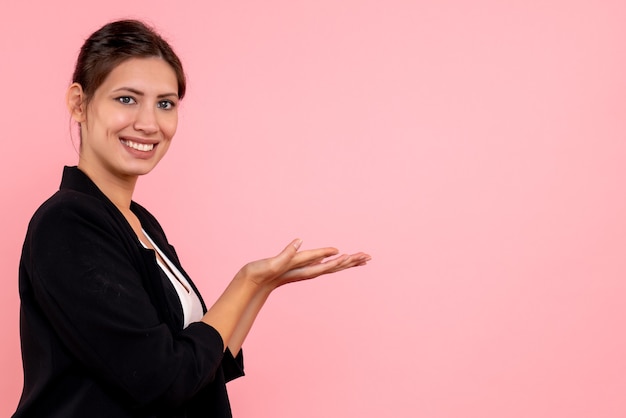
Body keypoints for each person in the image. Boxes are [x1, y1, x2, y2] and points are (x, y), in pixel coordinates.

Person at [14, 19, 370, 418]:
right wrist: (245, 281)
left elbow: (203, 364)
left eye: (165, 104)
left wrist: (261, 288)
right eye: (127, 99)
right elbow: (162, 380)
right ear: (79, 103)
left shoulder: (140, 223)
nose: (149, 124)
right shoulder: (68, 223)